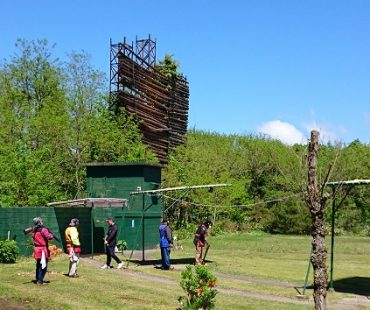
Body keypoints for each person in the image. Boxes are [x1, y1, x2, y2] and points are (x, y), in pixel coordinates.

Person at [31, 217, 54, 285]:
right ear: (40, 222)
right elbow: (49, 237)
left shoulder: (34, 230)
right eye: (41, 221)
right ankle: (40, 281)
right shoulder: (43, 229)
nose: (42, 222)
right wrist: (51, 234)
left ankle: (38, 279)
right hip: (42, 249)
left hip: (37, 249)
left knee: (38, 265)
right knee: (43, 265)